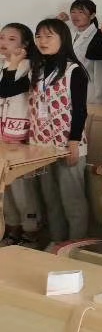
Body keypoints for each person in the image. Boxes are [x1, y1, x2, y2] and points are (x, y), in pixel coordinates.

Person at [29, 19, 90, 242]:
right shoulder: (37, 69)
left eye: (48, 36)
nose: (42, 41)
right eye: (38, 36)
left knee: (72, 199)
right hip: (41, 146)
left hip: (67, 144)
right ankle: (57, 242)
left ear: (62, 39)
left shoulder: (74, 70)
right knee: (51, 199)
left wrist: (73, 142)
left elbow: (80, 110)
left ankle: (75, 247)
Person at [0, 24, 42, 247]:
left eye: (11, 39)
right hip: (3, 133)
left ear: (25, 45)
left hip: (20, 134)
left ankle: (30, 229)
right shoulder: (3, 64)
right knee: (4, 184)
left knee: (21, 186)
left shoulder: (28, 66)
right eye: (2, 37)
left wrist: (15, 62)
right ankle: (12, 225)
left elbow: (6, 89)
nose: (4, 42)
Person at [57, 0, 102, 105]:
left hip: (89, 92)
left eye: (81, 12)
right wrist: (57, 21)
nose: (75, 16)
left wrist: (100, 99)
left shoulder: (100, 38)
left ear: (92, 15)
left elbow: (101, 74)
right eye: (73, 12)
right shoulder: (69, 34)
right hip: (65, 89)